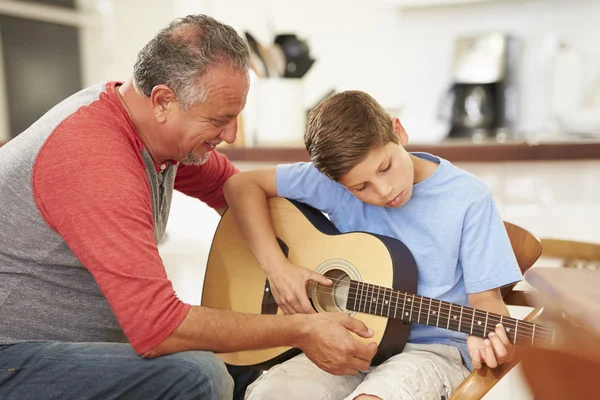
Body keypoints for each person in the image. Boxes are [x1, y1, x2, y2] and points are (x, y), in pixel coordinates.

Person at [0, 15, 377, 400]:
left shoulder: (148, 129)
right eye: (219, 120)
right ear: (163, 100)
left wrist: (280, 266)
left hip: (72, 347)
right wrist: (301, 328)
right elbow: (158, 328)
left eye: (236, 118)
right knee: (199, 373)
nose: (230, 135)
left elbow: (232, 189)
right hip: (10, 355)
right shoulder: (95, 157)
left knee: (255, 367)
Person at [223, 90, 524, 400]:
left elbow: (486, 301)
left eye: (385, 167)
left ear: (398, 131)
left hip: (433, 351)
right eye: (361, 187)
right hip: (344, 341)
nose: (383, 190)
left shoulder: (467, 197)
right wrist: (278, 268)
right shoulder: (333, 183)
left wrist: (487, 335)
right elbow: (240, 186)